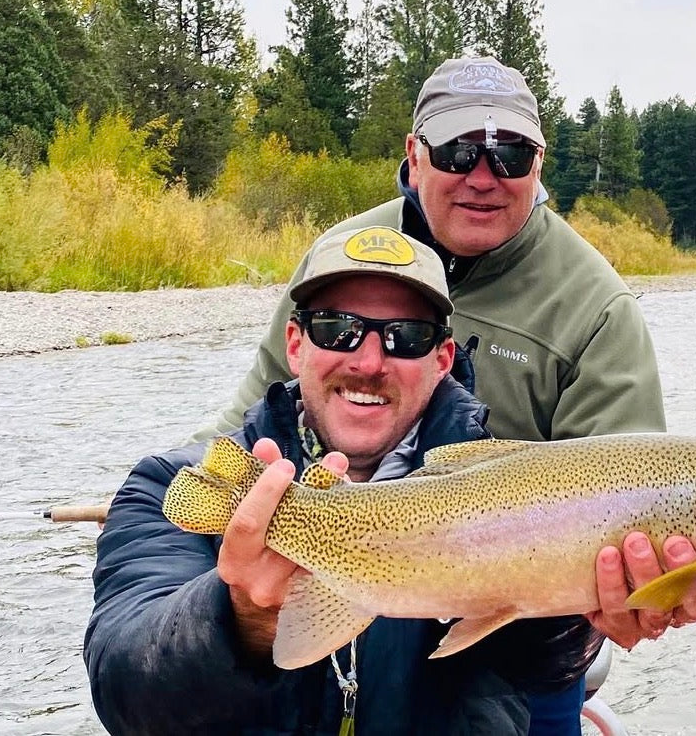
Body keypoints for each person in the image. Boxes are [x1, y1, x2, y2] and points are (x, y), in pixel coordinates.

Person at [195, 57, 696, 731]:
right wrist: (181, 506)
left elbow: (635, 499)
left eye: (510, 155)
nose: (483, 176)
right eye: (459, 150)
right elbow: (237, 438)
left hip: (520, 653)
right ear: (414, 154)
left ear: (540, 165)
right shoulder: (342, 260)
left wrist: (639, 601)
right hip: (338, 590)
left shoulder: (596, 307)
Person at [86, 226, 598, 734]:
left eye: (406, 337)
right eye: (337, 328)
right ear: (294, 344)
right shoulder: (176, 484)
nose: (369, 362)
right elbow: (125, 693)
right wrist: (239, 618)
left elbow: (541, 668)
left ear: (442, 360)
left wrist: (585, 615)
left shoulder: (508, 496)